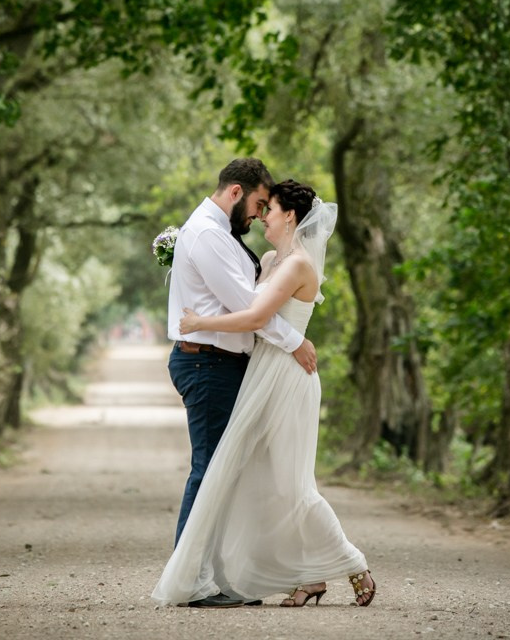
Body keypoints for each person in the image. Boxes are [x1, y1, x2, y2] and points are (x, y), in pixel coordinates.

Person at [152, 179, 376, 610]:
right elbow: (234, 289)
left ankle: (353, 563)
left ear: (289, 215)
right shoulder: (272, 259)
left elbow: (254, 315)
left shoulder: (298, 265)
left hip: (288, 376)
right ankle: (307, 576)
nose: (261, 217)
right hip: (261, 373)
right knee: (267, 481)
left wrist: (202, 323)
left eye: (268, 209)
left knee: (292, 484)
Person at [165, 159, 318, 571]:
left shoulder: (221, 234)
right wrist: (295, 342)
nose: (258, 213)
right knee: (210, 469)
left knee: (229, 471)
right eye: (257, 203)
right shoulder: (209, 236)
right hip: (208, 365)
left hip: (224, 364)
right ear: (236, 192)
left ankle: (224, 573)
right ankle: (191, 576)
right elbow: (248, 308)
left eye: (267, 207)